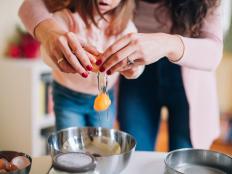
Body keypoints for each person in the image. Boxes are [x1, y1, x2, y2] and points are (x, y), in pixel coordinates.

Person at [19, 0, 223, 150]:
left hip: (187, 77)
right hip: (131, 79)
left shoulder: (124, 24)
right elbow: (31, 6)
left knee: (183, 156)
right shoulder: (73, 15)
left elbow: (213, 52)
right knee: (135, 154)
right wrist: (50, 35)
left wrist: (166, 44)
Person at [20, 0, 144, 131]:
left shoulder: (125, 26)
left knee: (102, 142)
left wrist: (133, 69)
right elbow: (46, 53)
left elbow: (138, 62)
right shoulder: (65, 17)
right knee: (70, 144)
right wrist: (64, 57)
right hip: (67, 98)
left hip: (105, 97)